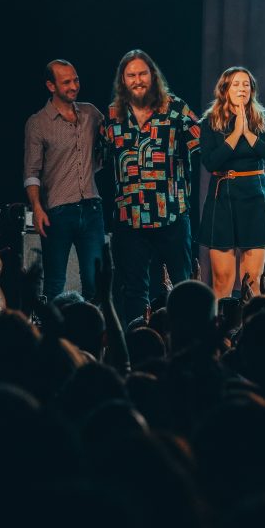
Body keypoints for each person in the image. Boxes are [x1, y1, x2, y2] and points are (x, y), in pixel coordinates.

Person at [101, 49, 200, 324]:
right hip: (130, 217)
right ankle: (137, 342)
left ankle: (184, 339)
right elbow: (98, 158)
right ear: (123, 80)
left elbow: (204, 145)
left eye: (142, 73)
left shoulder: (176, 108)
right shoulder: (112, 115)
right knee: (133, 290)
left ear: (153, 76)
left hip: (171, 212)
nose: (138, 80)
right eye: (131, 75)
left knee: (181, 286)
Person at [198, 67, 265, 297]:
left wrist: (248, 134)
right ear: (225, 89)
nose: (242, 89)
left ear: (252, 90)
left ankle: (251, 320)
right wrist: (236, 134)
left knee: (252, 280)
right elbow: (210, 162)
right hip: (222, 200)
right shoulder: (210, 121)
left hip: (255, 200)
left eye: (246, 84)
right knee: (222, 279)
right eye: (236, 84)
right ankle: (221, 320)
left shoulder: (263, 119)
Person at [23, 59, 105, 302]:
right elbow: (31, 171)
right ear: (51, 86)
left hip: (92, 208)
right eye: (66, 82)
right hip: (57, 212)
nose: (74, 86)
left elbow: (109, 142)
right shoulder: (38, 123)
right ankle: (54, 327)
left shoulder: (91, 113)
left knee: (95, 282)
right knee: (54, 284)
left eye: (76, 80)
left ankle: (93, 326)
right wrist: (37, 208)